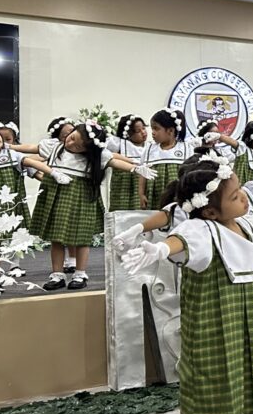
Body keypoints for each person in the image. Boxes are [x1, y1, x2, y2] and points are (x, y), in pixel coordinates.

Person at [121, 157, 253, 414]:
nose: (244, 198)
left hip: (247, 330)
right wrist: (160, 249)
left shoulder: (249, 227)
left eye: (240, 191)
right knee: (215, 401)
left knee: (247, 395)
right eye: (235, 196)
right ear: (209, 211)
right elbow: (179, 242)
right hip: (213, 332)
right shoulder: (202, 231)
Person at [14, 121, 156, 290]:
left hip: (82, 198)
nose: (71, 143)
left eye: (78, 146)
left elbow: (114, 161)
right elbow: (32, 148)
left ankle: (80, 273)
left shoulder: (94, 157)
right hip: (56, 198)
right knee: (56, 238)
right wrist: (9, 147)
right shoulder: (54, 147)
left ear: (87, 150)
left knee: (82, 238)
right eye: (72, 137)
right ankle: (57, 274)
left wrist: (135, 169)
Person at [139, 109, 188, 209]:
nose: (153, 133)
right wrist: (141, 194)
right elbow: (143, 173)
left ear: (170, 131)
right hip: (154, 197)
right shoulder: (149, 149)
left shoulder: (186, 149)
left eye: (156, 129)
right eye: (152, 129)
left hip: (176, 196)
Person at [107, 114, 149, 211]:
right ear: (128, 133)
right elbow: (108, 155)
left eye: (144, 128)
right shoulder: (119, 145)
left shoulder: (150, 146)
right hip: (123, 187)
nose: (143, 132)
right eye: (138, 131)